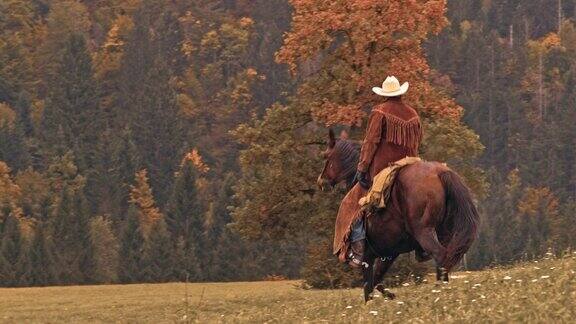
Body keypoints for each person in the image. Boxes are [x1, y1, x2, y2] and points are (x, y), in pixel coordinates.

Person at [337, 76, 422, 268]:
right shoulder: (413, 114)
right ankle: (421, 246)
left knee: (358, 203)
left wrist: (362, 167)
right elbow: (418, 141)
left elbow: (370, 142)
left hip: (385, 168)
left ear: (384, 95)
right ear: (400, 93)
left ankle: (358, 250)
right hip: (412, 163)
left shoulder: (380, 112)